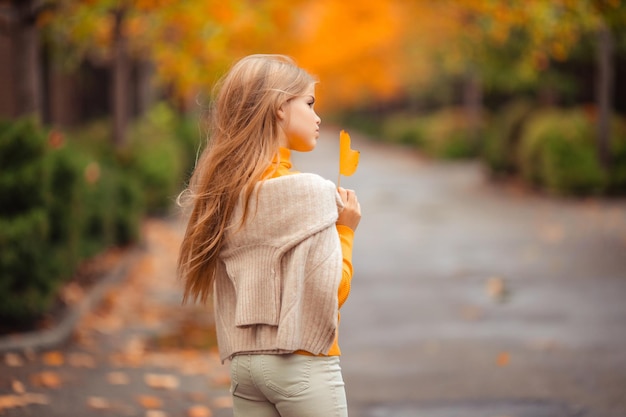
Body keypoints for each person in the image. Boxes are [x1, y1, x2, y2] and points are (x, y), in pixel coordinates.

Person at [177, 54, 361, 417]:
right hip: (301, 364)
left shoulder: (224, 195)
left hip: (245, 369)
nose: (317, 116)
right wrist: (346, 231)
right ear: (279, 108)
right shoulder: (310, 193)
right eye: (308, 103)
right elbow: (331, 291)